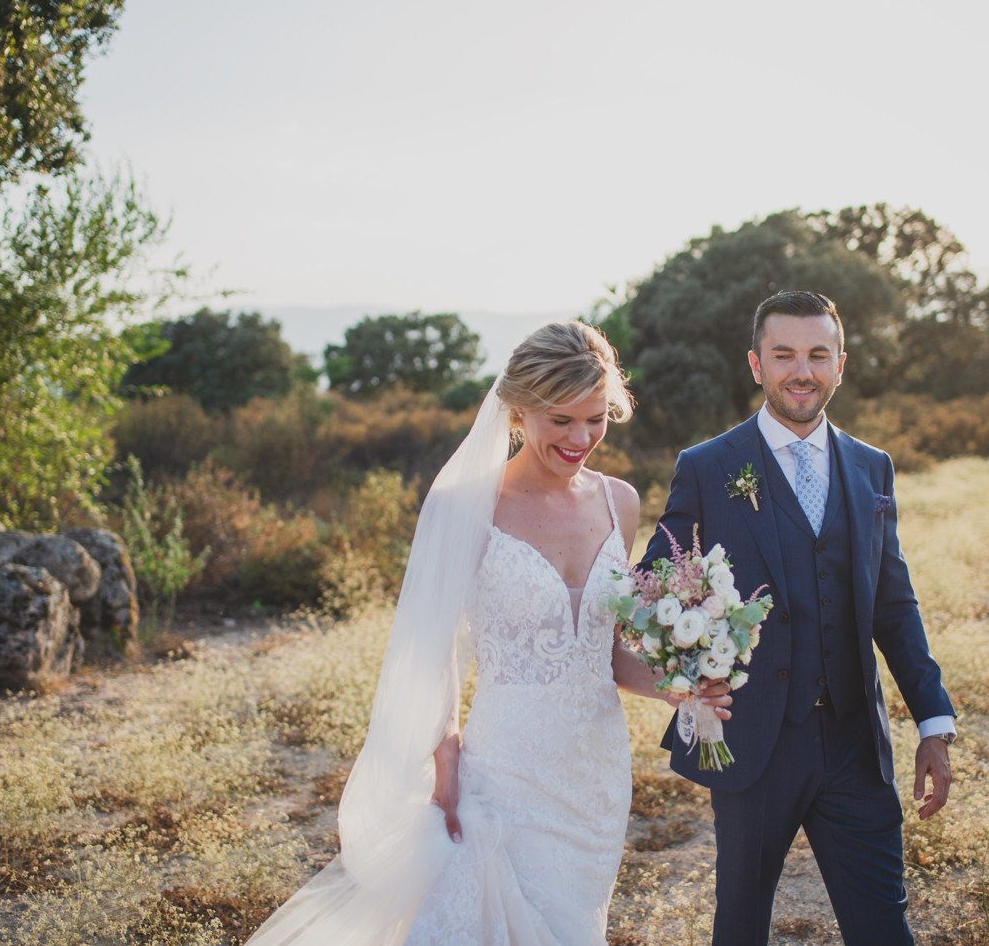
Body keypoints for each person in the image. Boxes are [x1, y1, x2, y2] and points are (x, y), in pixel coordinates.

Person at [246, 320, 731, 946]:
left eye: (596, 419)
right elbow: (429, 647)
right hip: (505, 769)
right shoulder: (464, 504)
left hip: (596, 774)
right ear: (519, 410)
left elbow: (605, 651)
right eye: (562, 420)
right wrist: (444, 755)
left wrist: (681, 688)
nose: (581, 438)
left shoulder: (621, 502)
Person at [641, 291, 956, 946]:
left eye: (818, 354)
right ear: (756, 365)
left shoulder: (873, 468)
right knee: (741, 925)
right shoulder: (708, 466)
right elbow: (655, 587)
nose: (801, 370)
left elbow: (893, 605)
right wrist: (691, 672)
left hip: (852, 744)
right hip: (752, 739)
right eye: (783, 354)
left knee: (883, 925)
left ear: (841, 364)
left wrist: (933, 721)